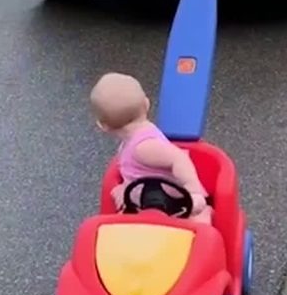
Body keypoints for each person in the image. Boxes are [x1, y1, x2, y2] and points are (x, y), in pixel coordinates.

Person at [89, 72, 212, 223]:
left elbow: (178, 158)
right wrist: (125, 186)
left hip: (178, 205)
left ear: (103, 126)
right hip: (148, 205)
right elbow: (138, 173)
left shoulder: (143, 148)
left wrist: (193, 190)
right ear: (147, 104)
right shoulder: (130, 142)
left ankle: (205, 214)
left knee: (199, 224)